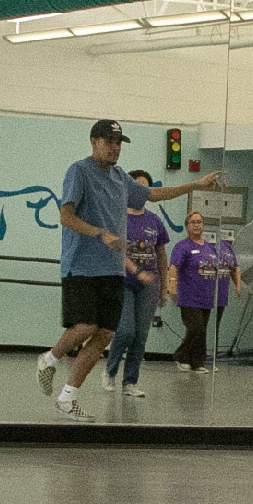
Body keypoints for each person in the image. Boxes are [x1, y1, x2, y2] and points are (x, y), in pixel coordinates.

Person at [37, 120, 215, 421]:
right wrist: (101, 234)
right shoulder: (79, 171)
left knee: (105, 334)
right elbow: (66, 216)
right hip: (81, 266)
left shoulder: (120, 178)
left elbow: (155, 195)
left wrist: (195, 185)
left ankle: (68, 398)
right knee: (86, 326)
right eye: (109, 141)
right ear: (94, 142)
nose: (115, 147)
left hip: (112, 271)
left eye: (119, 143)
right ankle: (49, 358)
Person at [102, 170, 166, 396]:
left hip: (150, 285)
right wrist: (136, 271)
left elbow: (161, 253)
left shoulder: (154, 220)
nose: (140, 191)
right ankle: (110, 370)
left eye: (144, 188)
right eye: (136, 186)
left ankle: (130, 382)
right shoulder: (117, 217)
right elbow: (117, 249)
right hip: (123, 282)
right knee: (126, 331)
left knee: (140, 336)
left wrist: (164, 287)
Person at [168, 209, 240, 371]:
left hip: (207, 296)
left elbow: (223, 266)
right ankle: (181, 355)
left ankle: (197, 362)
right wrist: (172, 286)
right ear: (187, 226)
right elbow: (173, 266)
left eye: (199, 222)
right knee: (196, 328)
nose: (196, 225)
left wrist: (235, 282)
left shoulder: (209, 247)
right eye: (193, 222)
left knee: (201, 330)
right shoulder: (182, 246)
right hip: (188, 296)